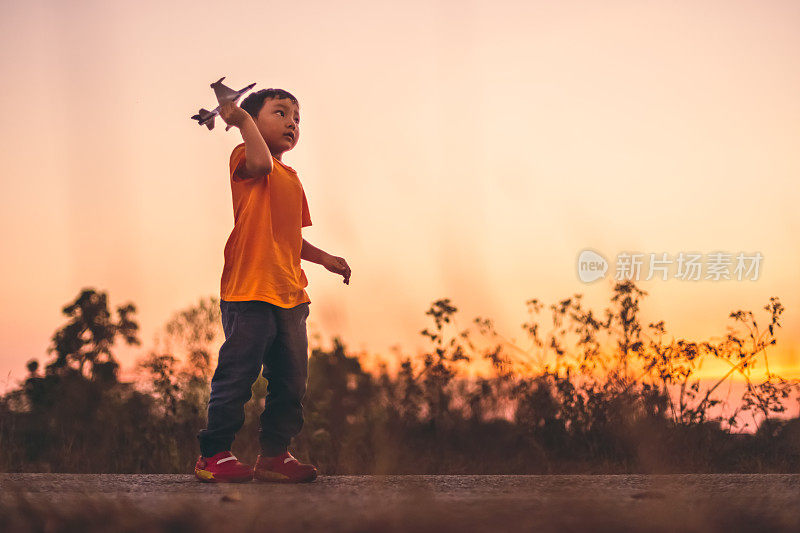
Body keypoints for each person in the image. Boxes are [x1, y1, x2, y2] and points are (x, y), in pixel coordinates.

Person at [194, 87, 351, 483]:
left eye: (296, 118)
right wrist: (241, 121)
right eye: (279, 113)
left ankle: (275, 454)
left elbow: (290, 237)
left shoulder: (292, 178)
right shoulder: (244, 157)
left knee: (291, 379)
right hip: (250, 291)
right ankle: (213, 455)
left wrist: (325, 259)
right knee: (238, 374)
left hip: (290, 294)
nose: (291, 123)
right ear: (250, 119)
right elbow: (261, 165)